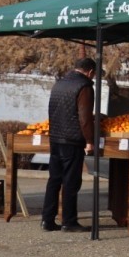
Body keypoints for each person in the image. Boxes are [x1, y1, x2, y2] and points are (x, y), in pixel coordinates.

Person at [41, 57, 96, 233]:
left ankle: (47, 220)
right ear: (90, 72)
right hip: (72, 140)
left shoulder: (60, 83)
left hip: (55, 137)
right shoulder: (85, 86)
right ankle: (69, 221)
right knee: (71, 182)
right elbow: (85, 117)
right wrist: (89, 140)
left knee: (54, 180)